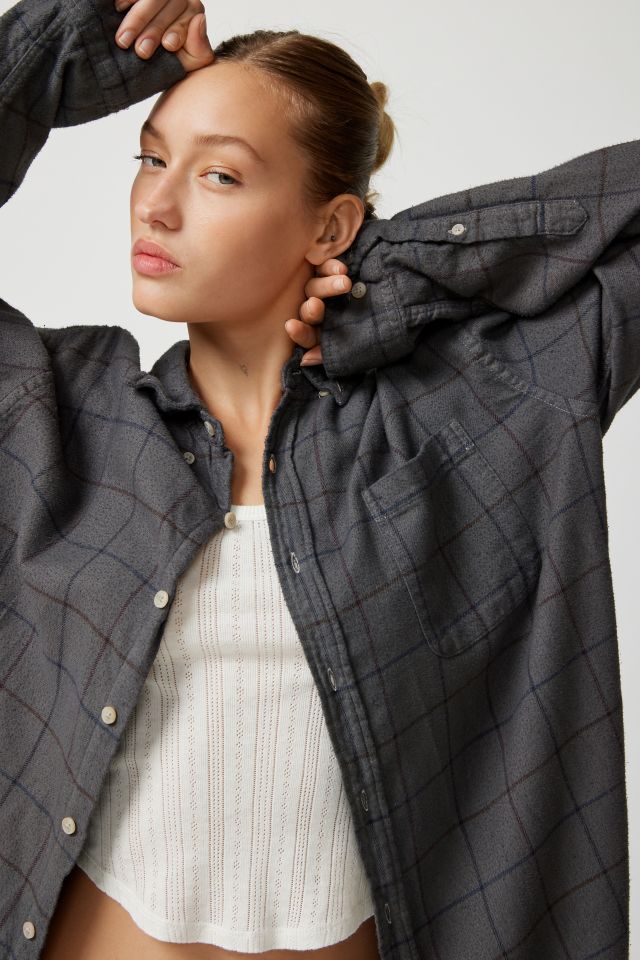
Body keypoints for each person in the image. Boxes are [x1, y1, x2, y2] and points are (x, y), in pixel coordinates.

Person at [1, 1, 636, 959]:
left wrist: (401, 273)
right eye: (150, 158)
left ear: (331, 223)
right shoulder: (52, 412)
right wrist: (73, 39)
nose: (156, 205)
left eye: (218, 174)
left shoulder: (485, 411)